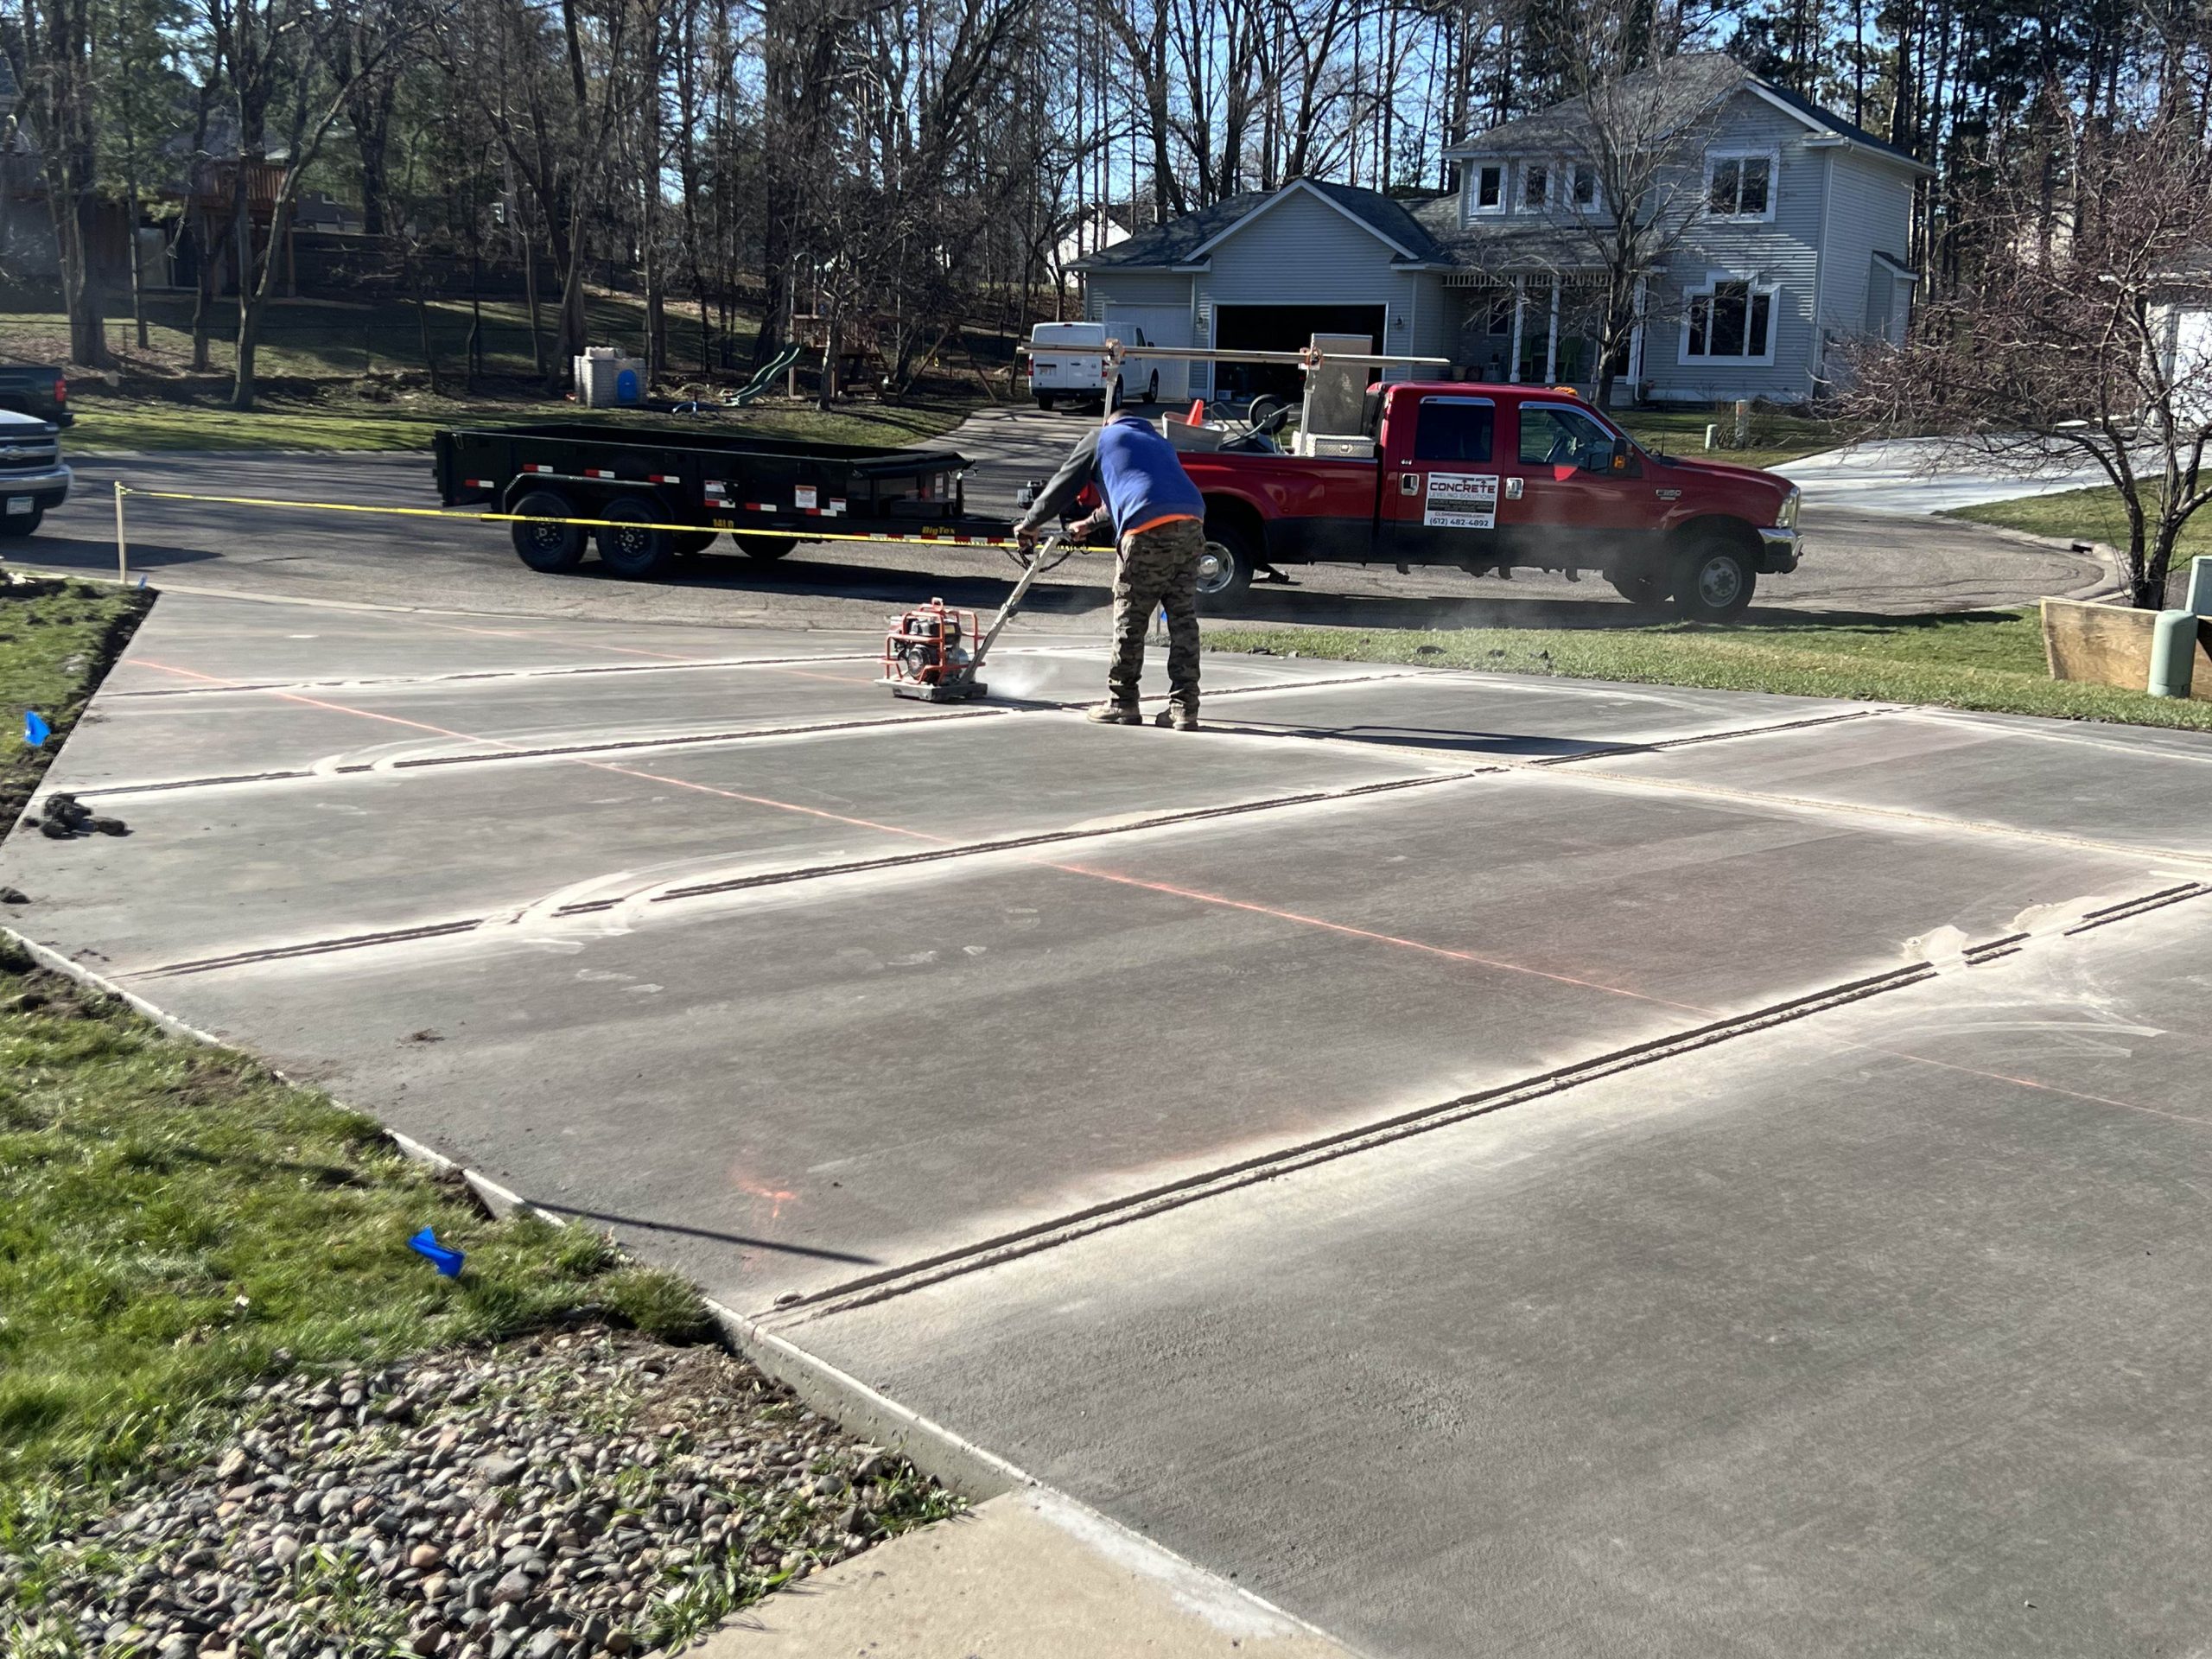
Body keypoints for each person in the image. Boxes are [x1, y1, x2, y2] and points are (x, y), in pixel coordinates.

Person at [1015, 404, 1207, 730]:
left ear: (1110, 421)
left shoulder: (1101, 437)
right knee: (1183, 618)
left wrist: (1030, 523)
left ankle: (1123, 702)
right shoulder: (1159, 443)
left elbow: (1064, 485)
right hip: (1192, 523)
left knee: (1131, 615)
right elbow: (1140, 492)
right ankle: (1184, 708)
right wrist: (1089, 524)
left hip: (1146, 532)